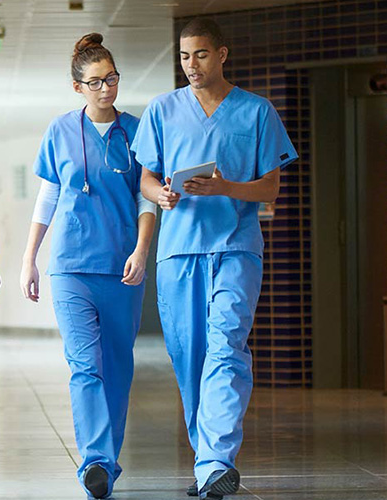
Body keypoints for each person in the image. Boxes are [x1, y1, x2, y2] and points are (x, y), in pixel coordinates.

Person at [130, 18, 297, 500]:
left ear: (221, 55)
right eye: (184, 56)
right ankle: (207, 462)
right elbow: (146, 178)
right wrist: (160, 194)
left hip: (236, 248)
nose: (191, 65)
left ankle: (217, 461)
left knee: (226, 348)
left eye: (200, 54)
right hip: (179, 252)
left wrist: (226, 187)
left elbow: (270, 188)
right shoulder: (163, 110)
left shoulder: (257, 111)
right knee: (189, 359)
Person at [19, 33, 156, 500]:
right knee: (84, 365)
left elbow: (146, 197)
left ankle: (107, 463)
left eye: (111, 79)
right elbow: (49, 196)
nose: (105, 89)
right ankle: (95, 460)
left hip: (122, 267)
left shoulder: (137, 131)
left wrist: (141, 250)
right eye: (95, 82)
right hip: (71, 267)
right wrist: (29, 258)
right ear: (77, 86)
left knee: (117, 366)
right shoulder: (60, 130)